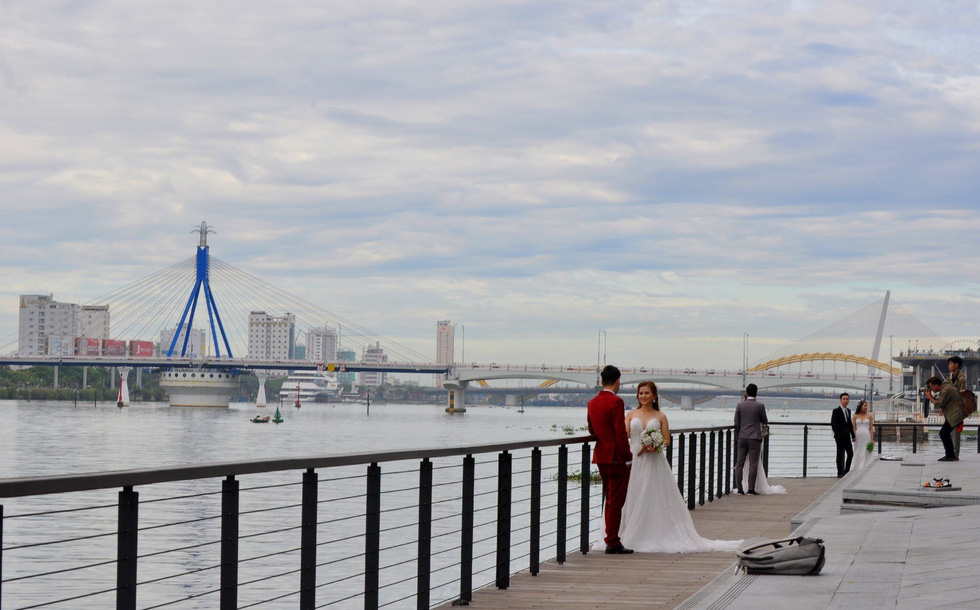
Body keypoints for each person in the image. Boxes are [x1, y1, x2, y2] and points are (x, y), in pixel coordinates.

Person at [618, 381, 741, 552]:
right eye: (640, 393)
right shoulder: (630, 414)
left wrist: (655, 444)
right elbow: (624, 436)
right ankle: (627, 531)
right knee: (633, 493)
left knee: (652, 493)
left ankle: (652, 532)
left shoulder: (660, 416)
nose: (643, 396)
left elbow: (667, 440)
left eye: (647, 393)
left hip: (654, 460)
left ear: (654, 396)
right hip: (635, 458)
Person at [587, 365, 633, 554]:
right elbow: (620, 433)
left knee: (608, 498)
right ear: (618, 382)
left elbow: (591, 429)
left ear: (601, 381)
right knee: (616, 501)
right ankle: (612, 541)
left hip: (601, 456)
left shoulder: (592, 402)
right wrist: (627, 457)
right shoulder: (616, 402)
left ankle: (610, 538)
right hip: (616, 457)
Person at [927, 356, 966, 459]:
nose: (949, 366)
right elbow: (944, 396)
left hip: (957, 409)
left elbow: (962, 395)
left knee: (954, 433)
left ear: (956, 365)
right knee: (948, 432)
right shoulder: (949, 376)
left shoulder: (961, 379)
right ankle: (951, 454)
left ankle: (954, 454)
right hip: (949, 408)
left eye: (950, 364)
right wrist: (943, 405)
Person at [733, 384, 768, 495]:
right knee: (753, 463)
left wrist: (736, 437)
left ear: (746, 393)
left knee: (739, 463)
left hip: (742, 437)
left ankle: (739, 489)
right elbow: (765, 420)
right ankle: (751, 489)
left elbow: (737, 423)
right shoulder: (760, 406)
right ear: (756, 394)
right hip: (754, 437)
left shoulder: (740, 405)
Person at [831, 393, 856, 477]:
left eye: (847, 399)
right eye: (844, 399)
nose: (846, 401)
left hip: (847, 436)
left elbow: (849, 424)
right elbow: (833, 424)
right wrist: (838, 434)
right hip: (839, 437)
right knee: (840, 454)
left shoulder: (848, 411)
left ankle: (846, 471)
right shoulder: (836, 411)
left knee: (850, 453)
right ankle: (840, 472)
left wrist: (853, 435)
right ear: (840, 400)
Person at [852, 400, 875, 470]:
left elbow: (871, 428)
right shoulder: (855, 416)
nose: (866, 407)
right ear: (860, 406)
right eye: (865, 406)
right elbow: (853, 427)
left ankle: (865, 466)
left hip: (866, 434)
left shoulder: (869, 416)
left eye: (866, 406)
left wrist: (872, 439)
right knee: (858, 450)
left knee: (866, 450)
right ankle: (857, 466)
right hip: (858, 435)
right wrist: (853, 436)